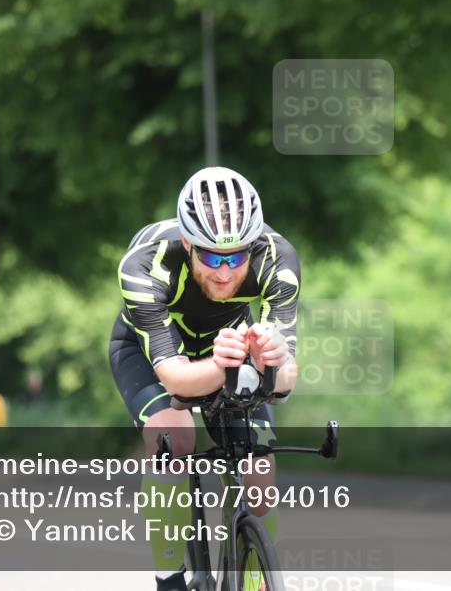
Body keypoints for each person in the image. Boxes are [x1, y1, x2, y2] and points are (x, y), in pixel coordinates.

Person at [109, 166, 300, 591]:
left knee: (259, 469)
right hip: (150, 353)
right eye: (212, 257)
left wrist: (276, 357)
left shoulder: (277, 258)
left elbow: (285, 381)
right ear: (186, 244)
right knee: (175, 439)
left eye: (236, 257)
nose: (225, 272)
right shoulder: (146, 264)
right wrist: (218, 368)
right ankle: (170, 576)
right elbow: (176, 379)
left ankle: (251, 574)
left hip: (229, 344)